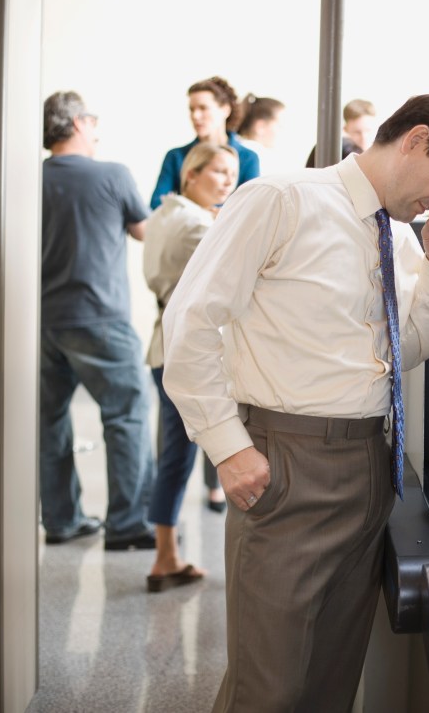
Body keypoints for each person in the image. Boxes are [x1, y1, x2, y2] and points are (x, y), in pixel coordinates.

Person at [162, 91, 429, 711]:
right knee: (269, 687)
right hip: (288, 463)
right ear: (417, 139)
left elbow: (411, 346)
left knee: (330, 681)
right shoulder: (282, 199)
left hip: (369, 465)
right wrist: (228, 446)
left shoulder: (394, 234)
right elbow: (191, 321)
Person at [40, 91, 156, 550]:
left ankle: (62, 521)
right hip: (100, 319)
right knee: (127, 416)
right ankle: (128, 525)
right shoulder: (112, 174)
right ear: (80, 123)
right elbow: (146, 232)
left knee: (49, 421)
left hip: (42, 321)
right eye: (94, 121)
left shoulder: (27, 179)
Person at [143, 142, 239, 592]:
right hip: (189, 352)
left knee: (174, 459)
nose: (226, 180)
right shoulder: (198, 225)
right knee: (228, 453)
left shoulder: (165, 214)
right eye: (217, 171)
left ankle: (166, 554)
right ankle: (170, 557)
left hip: (164, 346)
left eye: (231, 172)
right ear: (191, 174)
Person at [150, 76, 259, 209]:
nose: (195, 116)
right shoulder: (175, 156)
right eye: (192, 109)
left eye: (203, 108)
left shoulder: (248, 158)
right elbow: (157, 205)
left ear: (225, 110)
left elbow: (251, 207)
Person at [305, 97, 377, 168]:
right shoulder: (332, 150)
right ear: (345, 130)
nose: (364, 138)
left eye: (368, 131)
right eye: (357, 132)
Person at [236, 93, 285, 176]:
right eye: (279, 125)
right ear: (260, 126)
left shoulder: (238, 147)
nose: (282, 130)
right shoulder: (258, 155)